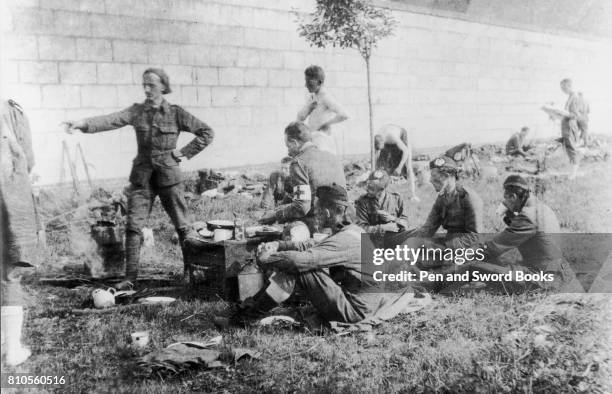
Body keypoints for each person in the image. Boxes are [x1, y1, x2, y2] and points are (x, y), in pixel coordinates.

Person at [64, 68, 214, 288]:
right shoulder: (137, 111)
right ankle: (129, 279)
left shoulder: (176, 113)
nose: (146, 89)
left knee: (183, 227)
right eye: (144, 85)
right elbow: (111, 120)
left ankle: (190, 274)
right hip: (142, 179)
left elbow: (206, 132)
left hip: (169, 178)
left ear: (163, 86)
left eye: (151, 85)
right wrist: (82, 124)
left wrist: (182, 152)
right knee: (133, 228)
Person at [233, 184, 377, 325]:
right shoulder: (353, 231)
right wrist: (279, 245)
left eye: (317, 209)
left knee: (298, 266)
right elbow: (313, 244)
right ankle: (249, 310)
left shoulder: (344, 239)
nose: (315, 213)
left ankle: (248, 317)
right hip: (365, 305)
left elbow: (298, 261)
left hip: (355, 312)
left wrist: (268, 258)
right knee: (297, 261)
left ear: (326, 212)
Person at [473, 175, 578, 292]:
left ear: (513, 197)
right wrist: (512, 216)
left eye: (506, 198)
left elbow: (492, 248)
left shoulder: (527, 217)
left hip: (542, 279)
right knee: (496, 263)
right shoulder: (542, 208)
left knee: (475, 266)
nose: (504, 202)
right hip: (559, 273)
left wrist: (462, 255)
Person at [1, 99, 40, 366]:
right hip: (8, 198)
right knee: (8, 272)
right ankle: (12, 348)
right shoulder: (11, 111)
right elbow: (29, 158)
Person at [259, 122, 346, 235]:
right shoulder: (333, 157)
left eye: (288, 146)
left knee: (287, 232)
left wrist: (276, 214)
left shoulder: (299, 162)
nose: (288, 152)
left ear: (294, 143)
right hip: (343, 219)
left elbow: (302, 206)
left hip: (319, 224)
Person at [403, 156, 484, 270]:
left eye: (435, 177)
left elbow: (475, 237)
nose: (430, 180)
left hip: (467, 249)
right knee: (414, 258)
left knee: (443, 274)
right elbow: (428, 228)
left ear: (447, 176)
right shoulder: (442, 198)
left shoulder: (469, 198)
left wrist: (446, 247)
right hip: (449, 246)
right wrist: (412, 243)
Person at [297, 65, 348, 155]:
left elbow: (344, 115)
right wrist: (309, 108)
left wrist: (327, 124)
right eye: (306, 81)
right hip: (313, 138)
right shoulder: (313, 97)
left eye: (309, 82)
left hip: (323, 140)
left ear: (319, 82)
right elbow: (300, 117)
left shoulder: (326, 97)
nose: (306, 85)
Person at [355, 170, 410, 247]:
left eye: (373, 188)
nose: (368, 190)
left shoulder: (396, 198)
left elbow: (406, 224)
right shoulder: (363, 201)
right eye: (369, 186)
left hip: (394, 241)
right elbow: (360, 229)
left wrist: (393, 219)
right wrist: (383, 228)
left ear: (383, 188)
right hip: (372, 243)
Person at [374, 124, 418, 200]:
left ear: (384, 142)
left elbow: (406, 152)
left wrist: (399, 167)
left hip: (401, 134)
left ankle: (413, 195)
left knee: (408, 166)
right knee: (381, 166)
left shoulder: (392, 137)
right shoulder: (376, 139)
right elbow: (376, 155)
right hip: (387, 134)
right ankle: (379, 193)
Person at [560, 78, 589, 179]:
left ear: (569, 86)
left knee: (571, 148)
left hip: (570, 126)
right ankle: (572, 171)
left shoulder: (575, 97)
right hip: (566, 125)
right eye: (561, 88)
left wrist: (562, 113)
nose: (562, 90)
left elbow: (575, 114)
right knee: (569, 148)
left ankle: (573, 174)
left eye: (564, 88)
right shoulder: (570, 97)